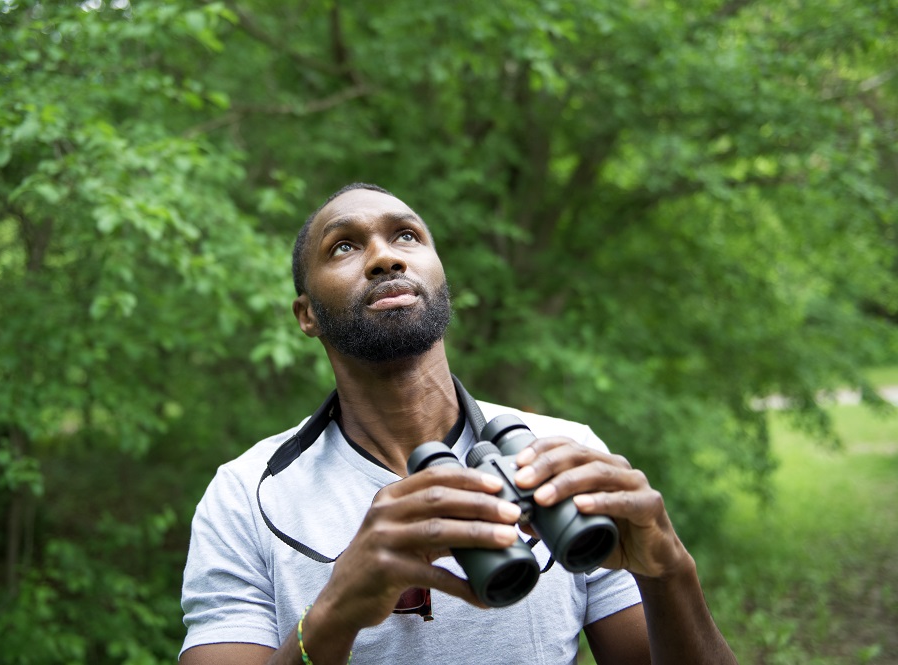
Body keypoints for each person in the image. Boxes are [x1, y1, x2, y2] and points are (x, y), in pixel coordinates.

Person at [179, 183, 738, 664]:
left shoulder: (565, 455)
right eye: (344, 246)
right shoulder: (245, 496)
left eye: (407, 236)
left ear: (441, 277)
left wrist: (671, 572)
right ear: (306, 315)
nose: (385, 258)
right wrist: (332, 614)